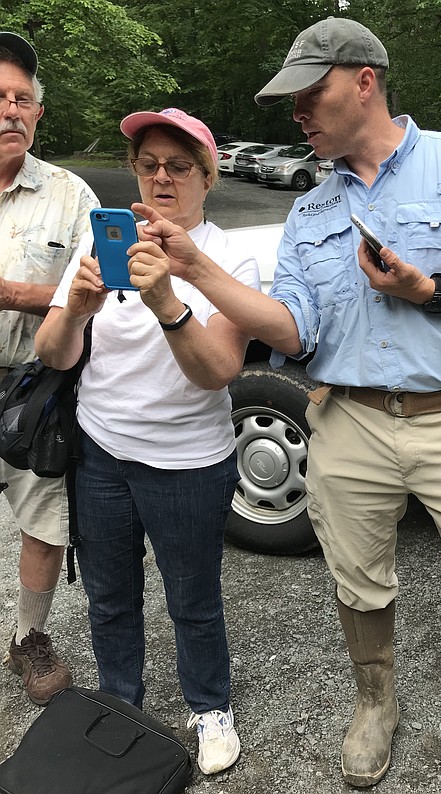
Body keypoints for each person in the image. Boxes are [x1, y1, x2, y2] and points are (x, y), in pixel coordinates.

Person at [128, 18, 441, 793]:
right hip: (347, 422)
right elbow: (291, 330)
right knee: (359, 581)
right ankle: (374, 704)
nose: (296, 112)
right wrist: (195, 268)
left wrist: (428, 289)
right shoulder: (311, 215)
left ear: (364, 80)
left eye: (311, 92)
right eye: (290, 99)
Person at [34, 107, 260, 776]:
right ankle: (118, 703)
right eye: (150, 164)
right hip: (101, 451)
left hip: (189, 461)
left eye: (180, 166)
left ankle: (209, 704)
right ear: (135, 172)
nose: (163, 177)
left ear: (207, 177)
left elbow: (216, 372)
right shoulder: (97, 244)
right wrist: (75, 309)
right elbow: (52, 354)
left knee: (192, 597)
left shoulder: (229, 256)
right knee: (109, 597)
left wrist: (167, 298)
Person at [0, 31, 99, 706]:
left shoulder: (72, 195)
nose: (10, 109)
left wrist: (9, 294)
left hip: (36, 385)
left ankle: (27, 637)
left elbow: (103, 289)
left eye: (22, 98)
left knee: (44, 518)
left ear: (38, 114)